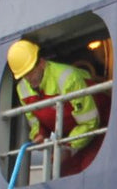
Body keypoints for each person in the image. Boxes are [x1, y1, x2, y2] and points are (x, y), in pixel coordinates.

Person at [6, 39, 102, 176]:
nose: (29, 78)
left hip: (99, 131)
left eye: (31, 72)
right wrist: (39, 135)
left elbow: (90, 122)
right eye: (24, 75)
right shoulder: (22, 90)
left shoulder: (68, 78)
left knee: (93, 172)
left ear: (41, 63)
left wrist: (66, 147)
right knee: (65, 175)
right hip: (68, 139)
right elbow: (34, 123)